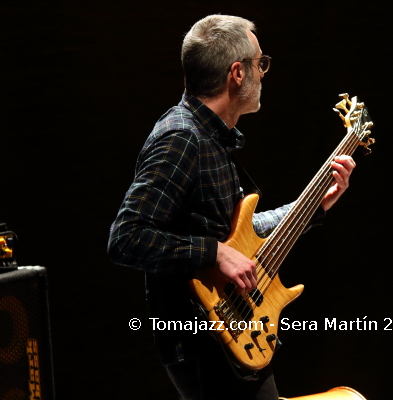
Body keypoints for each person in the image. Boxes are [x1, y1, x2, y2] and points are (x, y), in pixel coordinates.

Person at [107, 15, 355, 400]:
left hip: (233, 333)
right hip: (204, 343)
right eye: (260, 63)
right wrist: (214, 253)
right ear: (237, 73)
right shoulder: (181, 138)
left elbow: (236, 235)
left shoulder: (210, 138)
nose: (264, 73)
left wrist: (312, 207)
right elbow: (127, 238)